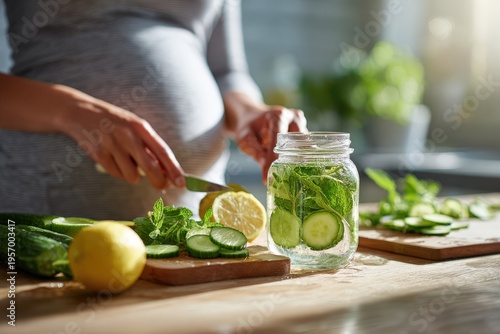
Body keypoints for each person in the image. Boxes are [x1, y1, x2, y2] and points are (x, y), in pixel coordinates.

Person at [0, 1, 307, 219]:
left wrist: (250, 112)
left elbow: (227, 71)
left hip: (190, 224)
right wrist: (71, 111)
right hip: (44, 217)